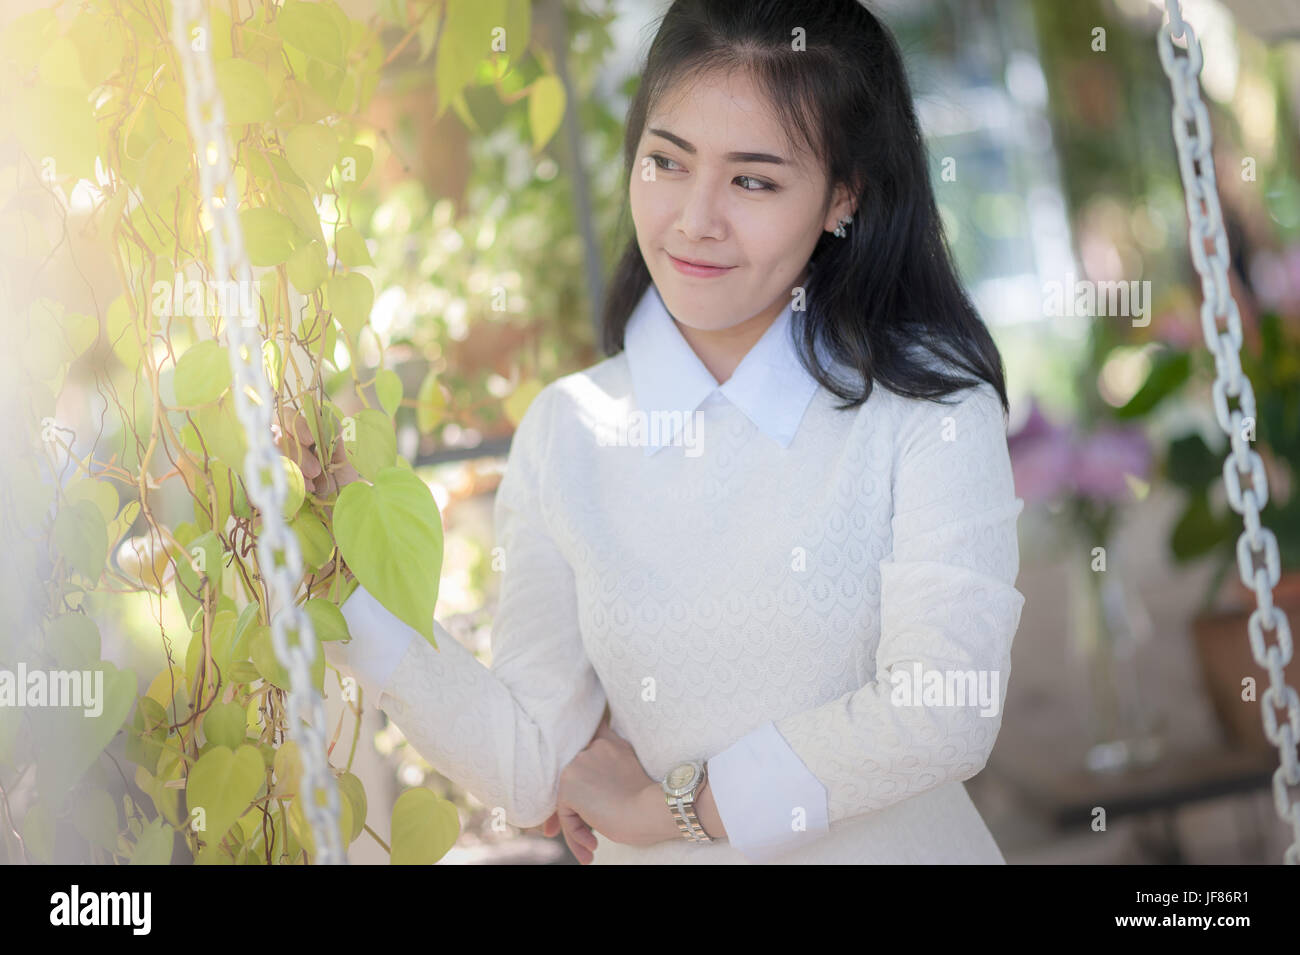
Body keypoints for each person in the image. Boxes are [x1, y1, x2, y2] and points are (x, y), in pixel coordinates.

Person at [324, 0, 1026, 864]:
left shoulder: (929, 407)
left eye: (754, 180)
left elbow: (942, 711)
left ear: (844, 196)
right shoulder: (567, 430)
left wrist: (671, 806)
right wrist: (332, 591)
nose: (695, 219)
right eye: (667, 161)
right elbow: (534, 762)